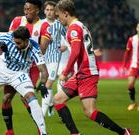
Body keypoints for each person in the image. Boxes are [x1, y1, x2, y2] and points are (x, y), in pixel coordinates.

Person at [54, 0, 131, 135]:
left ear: (65, 13)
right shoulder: (80, 26)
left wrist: (65, 72)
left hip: (87, 74)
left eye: (58, 15)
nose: (58, 18)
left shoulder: (73, 28)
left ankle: (123, 132)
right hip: (80, 74)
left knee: (90, 111)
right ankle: (75, 133)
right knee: (58, 100)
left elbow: (76, 52)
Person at [2, 0, 51, 134]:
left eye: (29, 9)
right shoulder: (17, 21)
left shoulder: (44, 25)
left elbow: (42, 49)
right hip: (14, 66)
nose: (26, 11)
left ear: (37, 10)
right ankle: (10, 131)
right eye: (25, 8)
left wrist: (26, 52)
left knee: (26, 98)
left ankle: (40, 130)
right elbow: (10, 40)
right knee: (6, 98)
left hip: (31, 67)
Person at [41, 1, 66, 117]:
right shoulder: (40, 24)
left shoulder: (59, 24)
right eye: (47, 10)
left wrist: (65, 45)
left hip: (55, 58)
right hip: (42, 59)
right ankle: (50, 103)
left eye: (52, 10)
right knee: (45, 84)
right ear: (44, 11)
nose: (49, 12)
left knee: (48, 84)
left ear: (55, 11)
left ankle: (41, 114)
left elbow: (68, 37)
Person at [122, 22, 139, 112]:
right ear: (136, 28)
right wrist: (125, 64)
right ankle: (133, 102)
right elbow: (127, 52)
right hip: (134, 65)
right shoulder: (131, 39)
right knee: (130, 85)